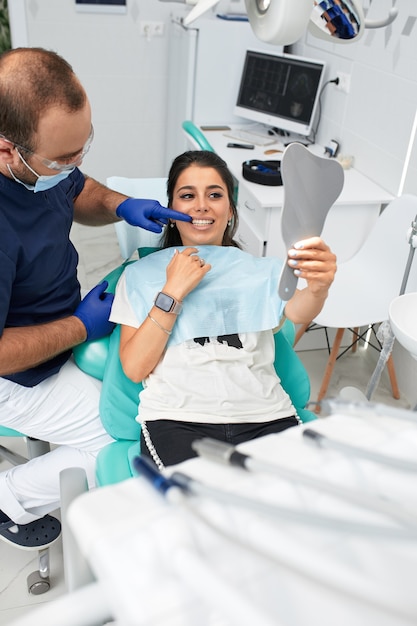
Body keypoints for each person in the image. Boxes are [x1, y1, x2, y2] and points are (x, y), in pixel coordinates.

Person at [0, 47, 191, 547]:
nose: (76, 164)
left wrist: (120, 204)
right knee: (121, 438)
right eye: (63, 157)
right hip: (17, 375)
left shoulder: (40, 167)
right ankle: (10, 496)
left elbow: (75, 187)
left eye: (83, 147)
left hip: (63, 328)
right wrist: (82, 327)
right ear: (6, 150)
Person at [110, 150, 337, 469]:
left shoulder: (262, 271)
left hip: (268, 417)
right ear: (172, 209)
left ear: (230, 209)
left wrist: (318, 286)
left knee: (290, 510)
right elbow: (134, 367)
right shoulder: (139, 274)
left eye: (214, 195)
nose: (201, 205)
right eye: (187, 195)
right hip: (179, 421)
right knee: (207, 514)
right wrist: (172, 292)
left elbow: (298, 314)